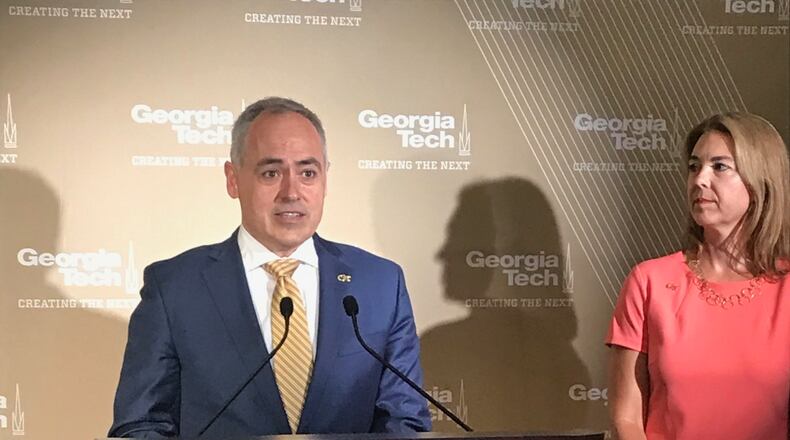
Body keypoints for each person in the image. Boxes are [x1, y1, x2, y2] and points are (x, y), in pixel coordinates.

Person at [109, 97, 431, 438]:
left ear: (325, 179)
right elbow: (142, 426)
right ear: (233, 179)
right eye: (271, 173)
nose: (291, 192)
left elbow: (404, 420)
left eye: (308, 172)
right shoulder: (174, 288)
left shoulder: (379, 283)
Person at [606, 112, 790, 439]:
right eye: (694, 167)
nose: (700, 179)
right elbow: (627, 418)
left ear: (761, 179)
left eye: (719, 166)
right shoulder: (649, 282)